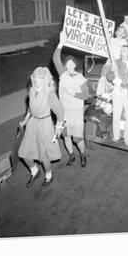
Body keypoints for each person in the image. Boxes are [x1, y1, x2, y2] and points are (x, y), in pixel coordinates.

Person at [18, 67, 65, 187]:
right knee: (24, 153)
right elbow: (30, 108)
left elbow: (60, 113)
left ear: (45, 79)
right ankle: (34, 171)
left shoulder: (50, 94)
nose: (36, 79)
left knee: (43, 156)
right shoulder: (32, 90)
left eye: (39, 77)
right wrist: (25, 120)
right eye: (34, 76)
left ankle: (49, 175)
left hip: (45, 124)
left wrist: (58, 128)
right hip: (32, 123)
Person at [53, 32, 90, 167]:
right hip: (63, 112)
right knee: (66, 136)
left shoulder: (80, 78)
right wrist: (61, 42)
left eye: (71, 63)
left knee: (78, 138)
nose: (69, 65)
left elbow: (86, 95)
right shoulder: (62, 75)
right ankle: (71, 155)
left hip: (75, 112)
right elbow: (56, 58)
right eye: (67, 63)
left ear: (74, 65)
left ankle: (83, 154)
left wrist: (73, 93)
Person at [104, 45, 128, 146]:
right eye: (122, 51)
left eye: (126, 51)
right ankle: (116, 136)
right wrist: (111, 71)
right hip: (117, 90)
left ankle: (126, 138)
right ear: (120, 52)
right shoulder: (116, 62)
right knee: (116, 114)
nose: (124, 53)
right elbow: (109, 78)